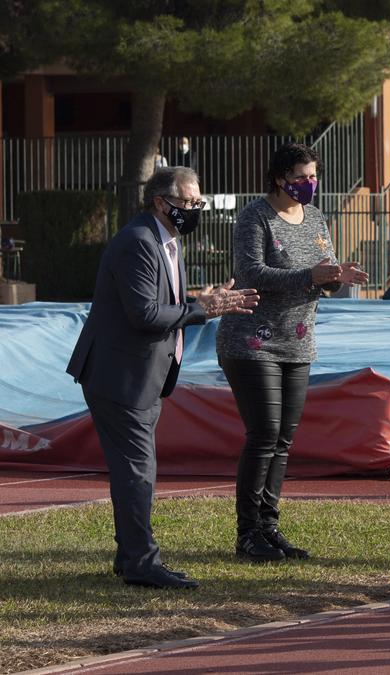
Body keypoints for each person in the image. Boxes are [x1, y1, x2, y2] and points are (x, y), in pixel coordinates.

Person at [66, 167, 259, 589]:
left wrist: (200, 302)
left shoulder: (164, 239)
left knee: (136, 471)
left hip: (142, 376)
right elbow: (146, 315)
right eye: (188, 202)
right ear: (160, 202)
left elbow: (161, 304)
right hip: (120, 377)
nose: (194, 210)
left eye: (198, 203)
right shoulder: (138, 242)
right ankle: (141, 563)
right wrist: (205, 309)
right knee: (138, 472)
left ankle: (130, 556)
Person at [216, 143, 369, 563]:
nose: (310, 184)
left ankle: (269, 527)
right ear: (280, 179)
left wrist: (339, 275)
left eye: (313, 175)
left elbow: (326, 272)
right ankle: (247, 533)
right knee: (263, 434)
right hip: (252, 341)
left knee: (283, 439)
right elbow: (250, 273)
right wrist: (311, 275)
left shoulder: (316, 217)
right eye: (302, 177)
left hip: (298, 341)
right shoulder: (255, 216)